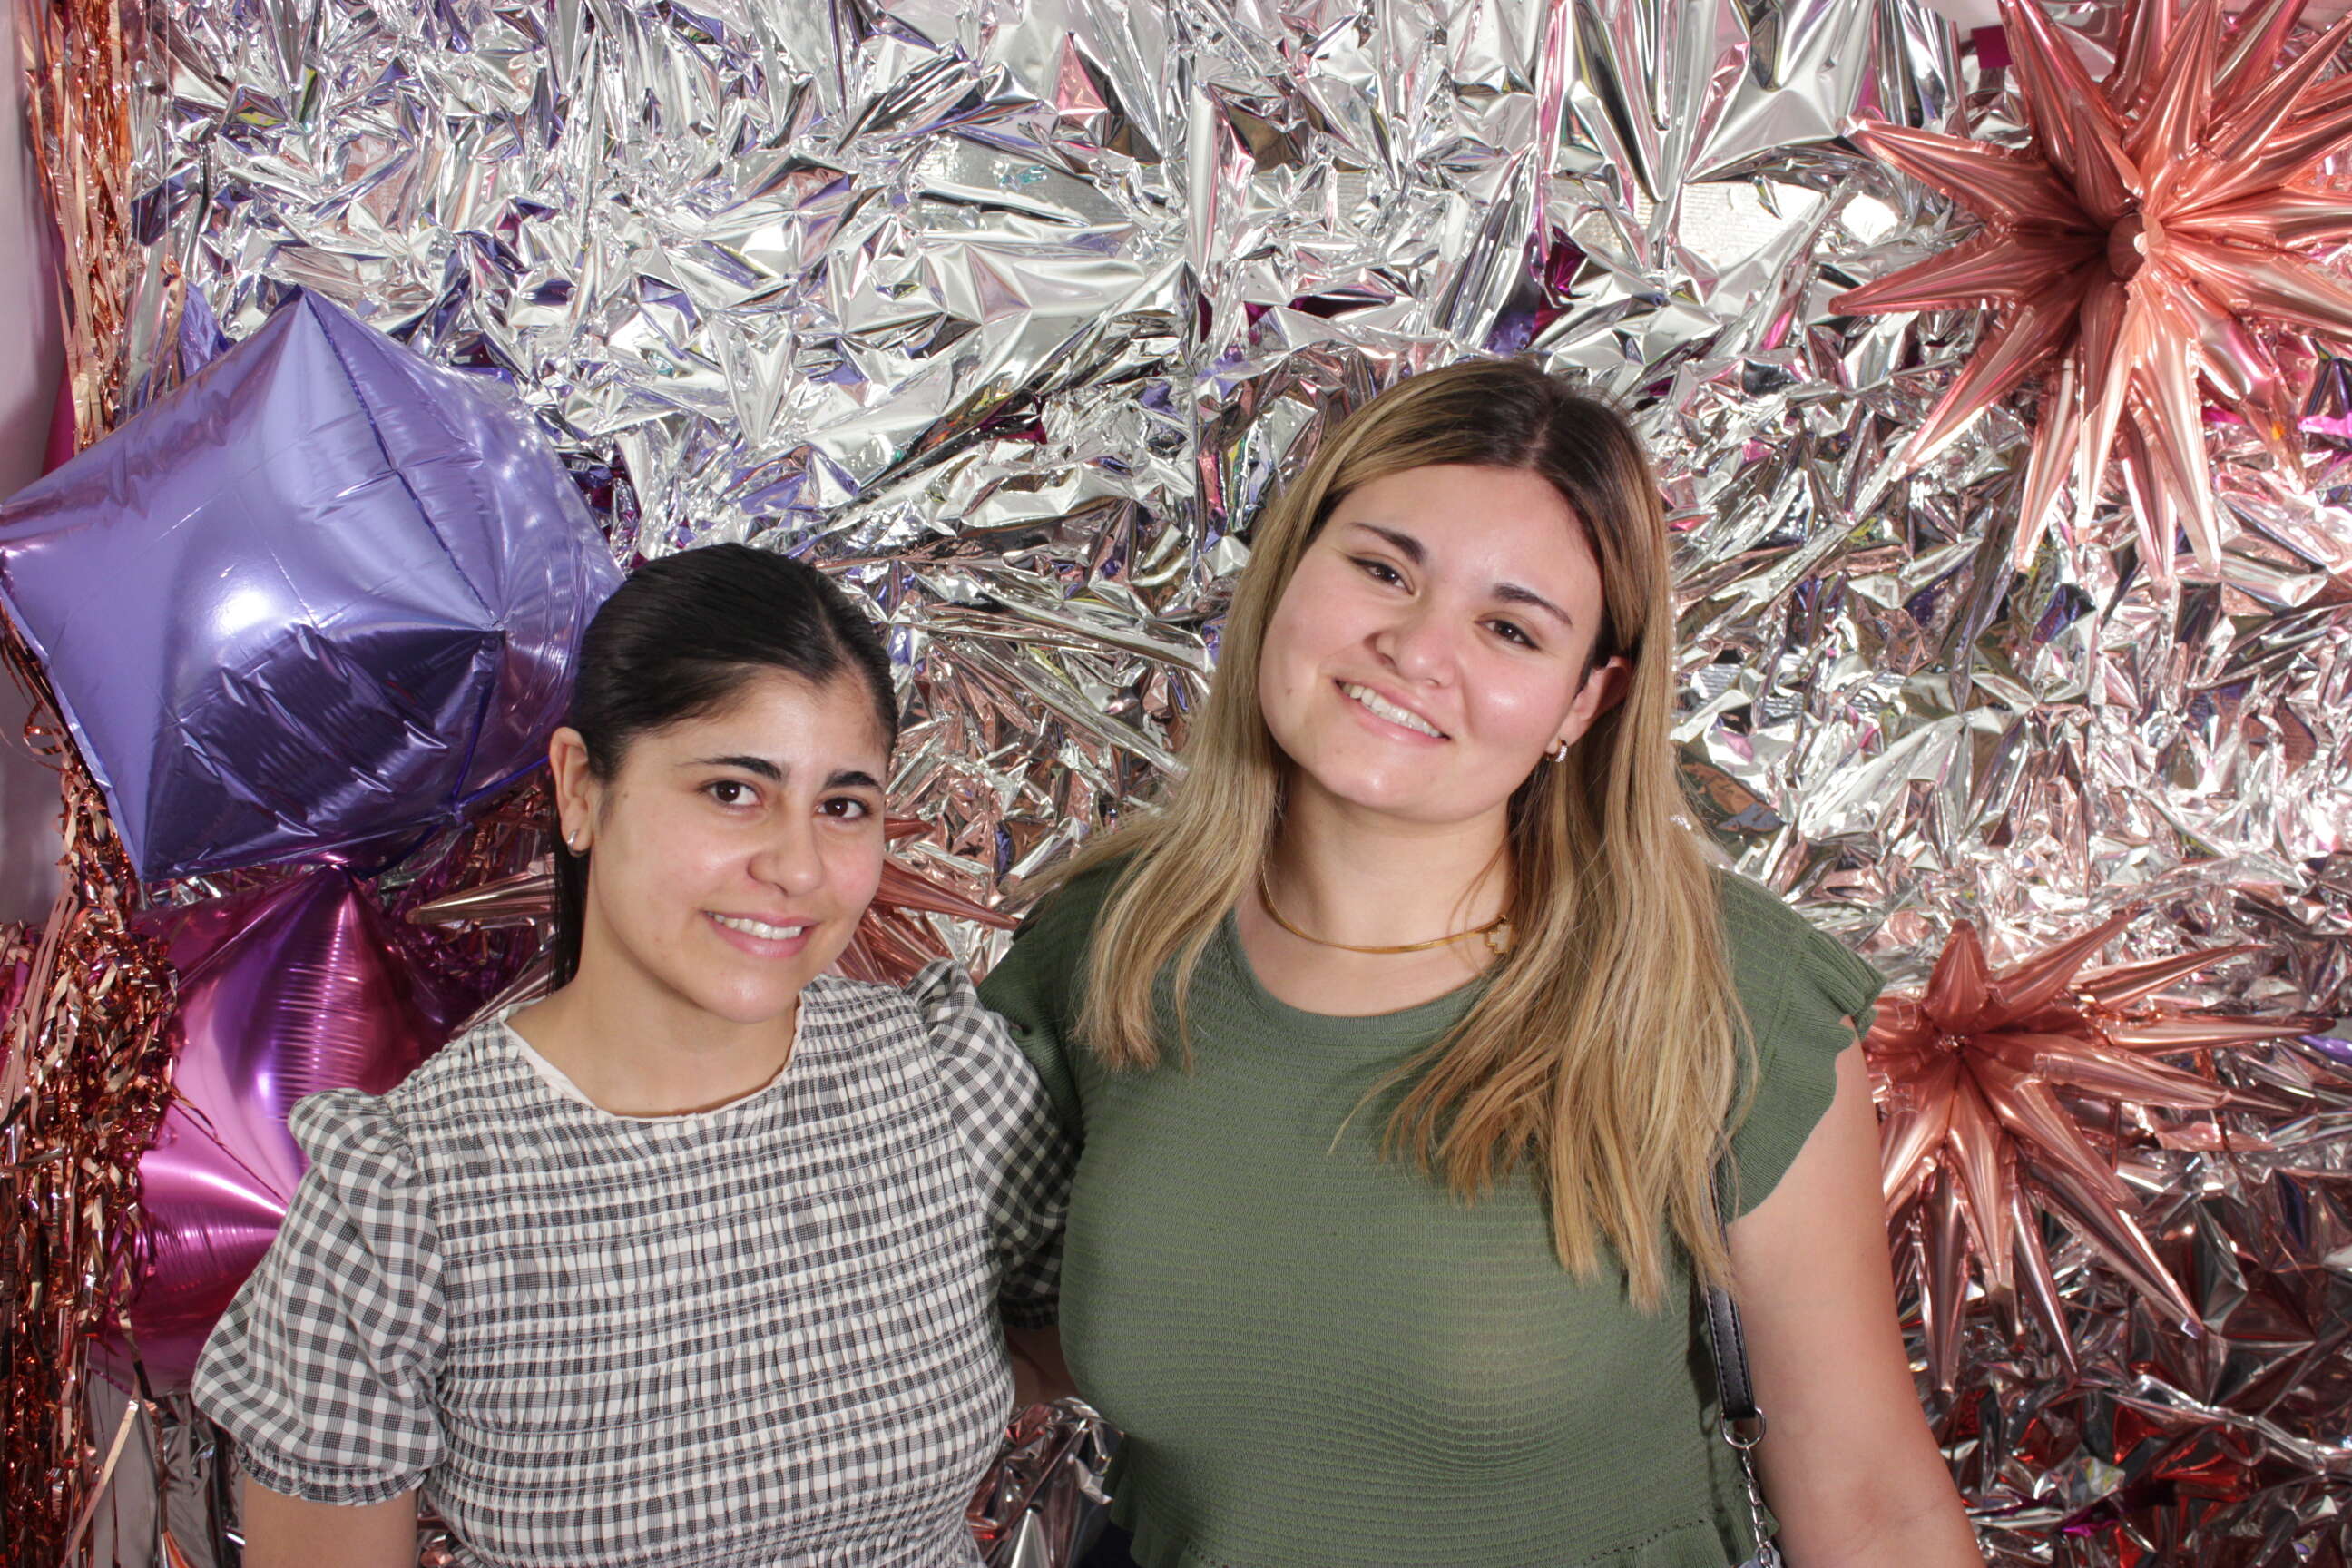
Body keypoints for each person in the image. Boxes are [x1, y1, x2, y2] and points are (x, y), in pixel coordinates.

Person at [981, 360, 1983, 1568]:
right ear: (1286, 570)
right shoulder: (1110, 944)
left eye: (1509, 628)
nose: (1415, 648)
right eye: (1382, 570)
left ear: (1586, 701)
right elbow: (988, 1337)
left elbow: (1869, 1501)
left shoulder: (1718, 989)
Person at [195, 544, 1072, 1568]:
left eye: (842, 805)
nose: (796, 867)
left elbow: (1111, 1342)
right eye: (733, 790)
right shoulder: (404, 1195)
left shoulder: (941, 1079)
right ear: (580, 790)